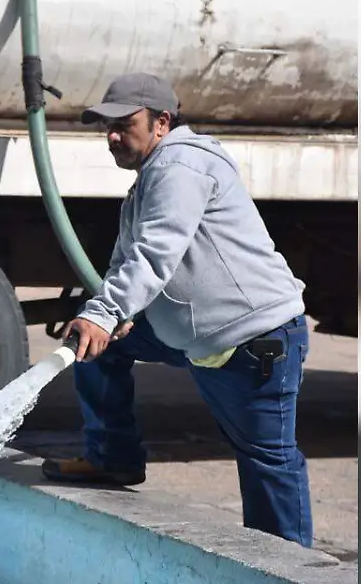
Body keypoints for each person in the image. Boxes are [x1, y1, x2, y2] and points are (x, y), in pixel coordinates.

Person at [40, 72, 314, 548]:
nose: (111, 136)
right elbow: (130, 259)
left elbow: (156, 251)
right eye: (106, 126)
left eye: (124, 124)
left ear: (162, 122)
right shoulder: (157, 170)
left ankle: (289, 568)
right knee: (95, 348)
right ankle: (113, 457)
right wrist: (109, 315)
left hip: (254, 339)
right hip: (197, 331)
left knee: (267, 461)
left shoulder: (180, 166)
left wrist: (105, 312)